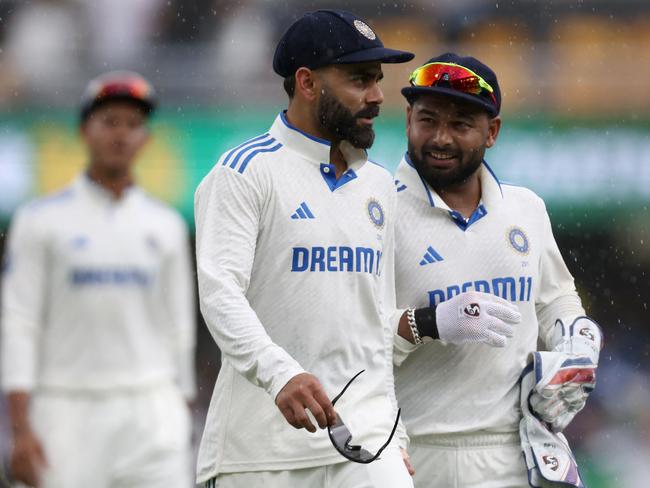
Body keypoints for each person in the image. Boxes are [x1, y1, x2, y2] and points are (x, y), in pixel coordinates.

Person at [194, 12, 521, 488]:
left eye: (377, 80)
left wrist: (397, 431)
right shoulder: (244, 172)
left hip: (366, 443)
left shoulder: (376, 186)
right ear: (306, 82)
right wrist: (280, 373)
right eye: (359, 80)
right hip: (260, 454)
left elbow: (373, 327)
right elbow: (220, 294)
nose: (376, 96)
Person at [391, 53, 603, 487]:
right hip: (414, 452)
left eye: (461, 125)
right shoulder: (375, 211)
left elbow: (554, 297)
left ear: (493, 132)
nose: (441, 138)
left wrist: (575, 331)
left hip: (519, 449)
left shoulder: (526, 209)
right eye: (427, 120)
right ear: (408, 117)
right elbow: (350, 341)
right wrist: (426, 323)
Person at [1, 71, 196, 488]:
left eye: (133, 124)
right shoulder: (39, 221)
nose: (121, 135)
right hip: (66, 409)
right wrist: (19, 427)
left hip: (151, 407)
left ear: (145, 138)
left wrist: (181, 408)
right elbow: (18, 323)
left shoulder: (165, 226)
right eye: (110, 122)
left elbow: (179, 328)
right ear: (84, 131)